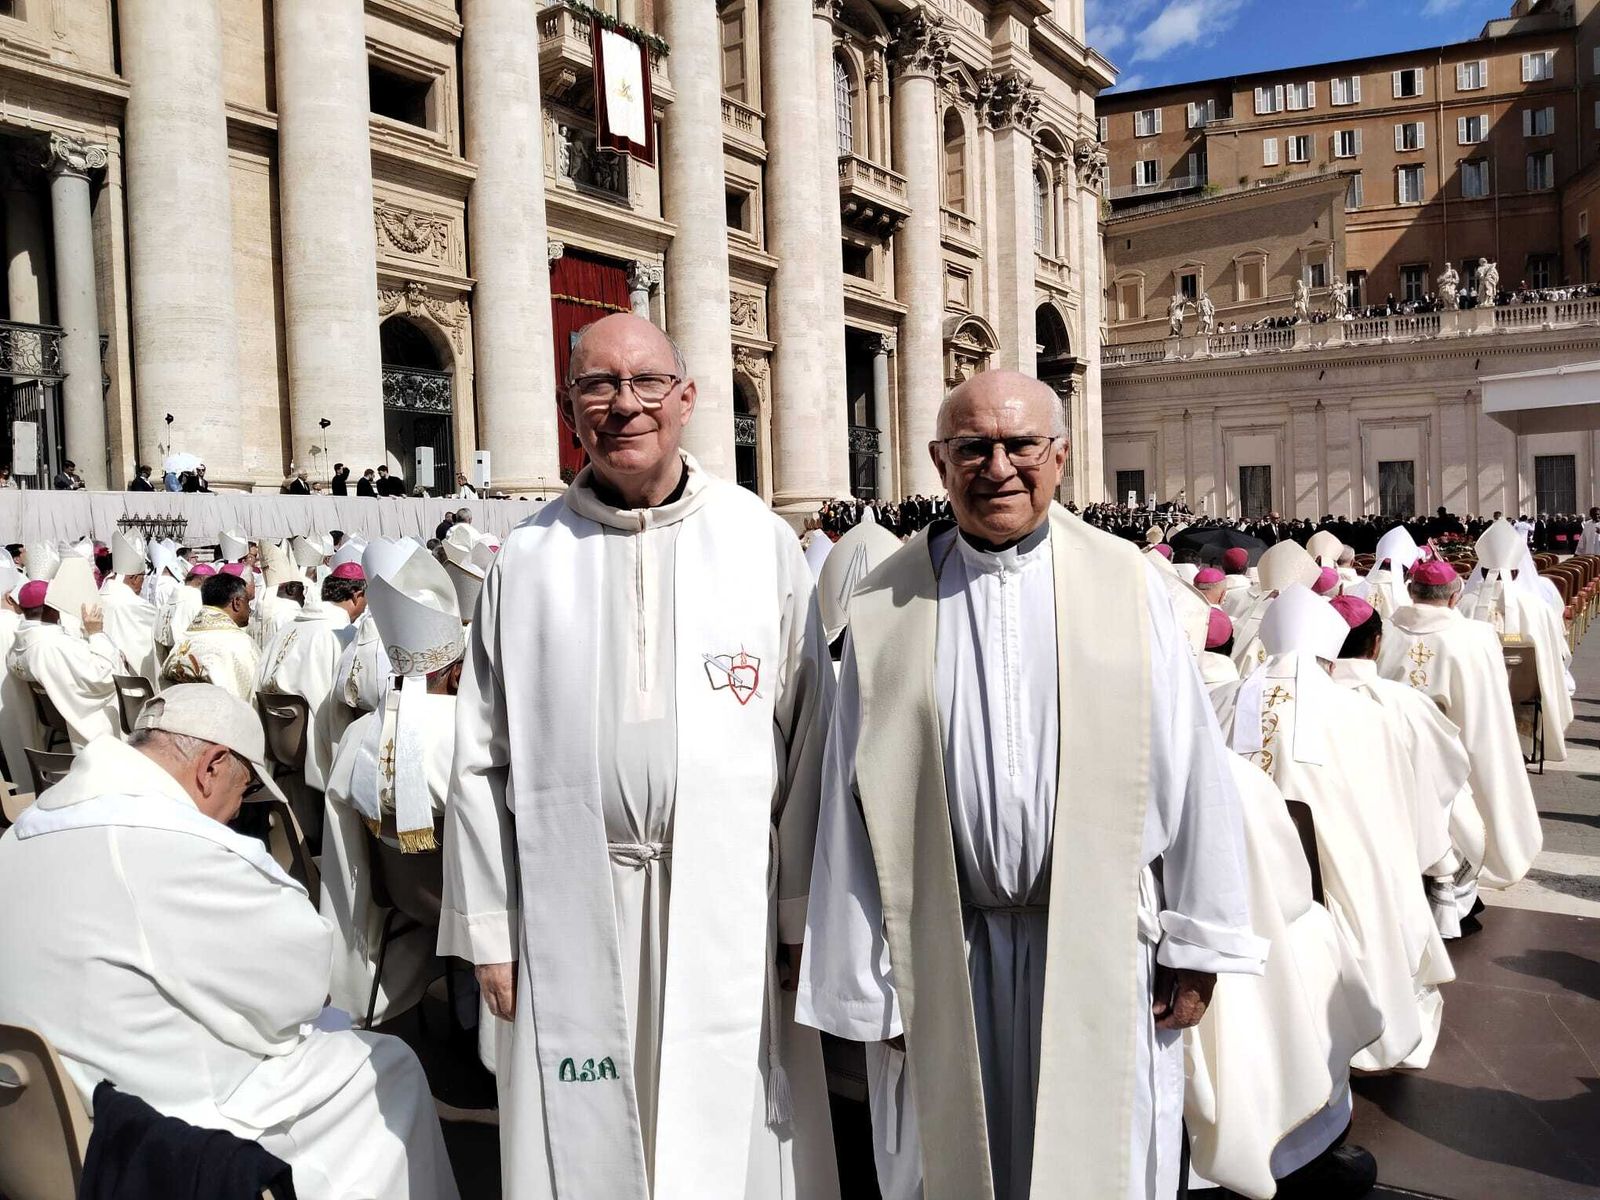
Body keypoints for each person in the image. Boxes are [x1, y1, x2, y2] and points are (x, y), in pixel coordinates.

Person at [798, 371, 1263, 1200]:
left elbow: (1193, 768)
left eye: (1021, 445)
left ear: (1060, 456)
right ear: (940, 461)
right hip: (943, 946)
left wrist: (1199, 946)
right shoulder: (885, 605)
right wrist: (869, 986)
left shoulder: (1127, 585)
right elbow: (847, 805)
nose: (998, 467)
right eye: (973, 447)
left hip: (1101, 943)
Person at [440, 313, 839, 1199]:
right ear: (568, 410)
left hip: (728, 899)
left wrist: (796, 917)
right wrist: (490, 933)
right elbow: (479, 759)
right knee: (584, 1115)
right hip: (569, 902)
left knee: (727, 1131)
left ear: (687, 398)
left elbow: (810, 738)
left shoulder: (758, 541)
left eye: (648, 382)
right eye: (598, 385)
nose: (625, 404)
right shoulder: (528, 558)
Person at [0, 684, 459, 1200]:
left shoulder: (23, 831)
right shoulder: (179, 845)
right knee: (389, 1067)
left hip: (34, 1132)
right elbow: (303, 985)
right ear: (212, 766)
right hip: (149, 1131)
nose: (233, 814)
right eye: (241, 793)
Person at [1212, 587, 1451, 1173]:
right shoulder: (1362, 714)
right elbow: (1397, 816)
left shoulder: (1215, 701)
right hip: (1327, 904)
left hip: (1231, 896)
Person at [322, 542, 462, 1022]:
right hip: (464, 902)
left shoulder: (359, 733)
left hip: (398, 894)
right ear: (456, 673)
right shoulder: (472, 735)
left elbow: (342, 836)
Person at [1377, 559, 1542, 895]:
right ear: (1454, 597)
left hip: (1391, 749)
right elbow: (1487, 705)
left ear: (1411, 591)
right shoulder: (1476, 636)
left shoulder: (1383, 632)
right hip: (1452, 750)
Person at [1330, 595, 1480, 937]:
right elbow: (1450, 770)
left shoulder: (1299, 701)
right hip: (1399, 838)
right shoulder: (1408, 702)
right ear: (1377, 645)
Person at [1458, 519, 1574, 763]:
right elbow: (1558, 653)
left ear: (1481, 572)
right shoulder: (1538, 608)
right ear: (1516, 572)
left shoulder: (1464, 605)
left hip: (1475, 694)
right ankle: (1525, 741)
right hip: (1525, 690)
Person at [258, 564, 368, 795]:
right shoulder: (342, 633)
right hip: (316, 742)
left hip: (277, 741)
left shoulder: (287, 627)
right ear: (357, 596)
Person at [8, 563, 123, 749]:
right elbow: (104, 678)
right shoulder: (52, 645)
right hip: (85, 718)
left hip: (55, 716)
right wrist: (96, 633)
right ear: (51, 608)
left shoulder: (18, 644)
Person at [162, 572, 261, 702]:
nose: (250, 609)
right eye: (247, 602)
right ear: (236, 602)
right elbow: (254, 696)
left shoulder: (184, 639)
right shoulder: (240, 643)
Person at [98, 532, 160, 684]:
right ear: (133, 578)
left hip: (103, 674)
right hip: (132, 680)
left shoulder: (100, 595)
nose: (143, 583)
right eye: (143, 577)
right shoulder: (136, 605)